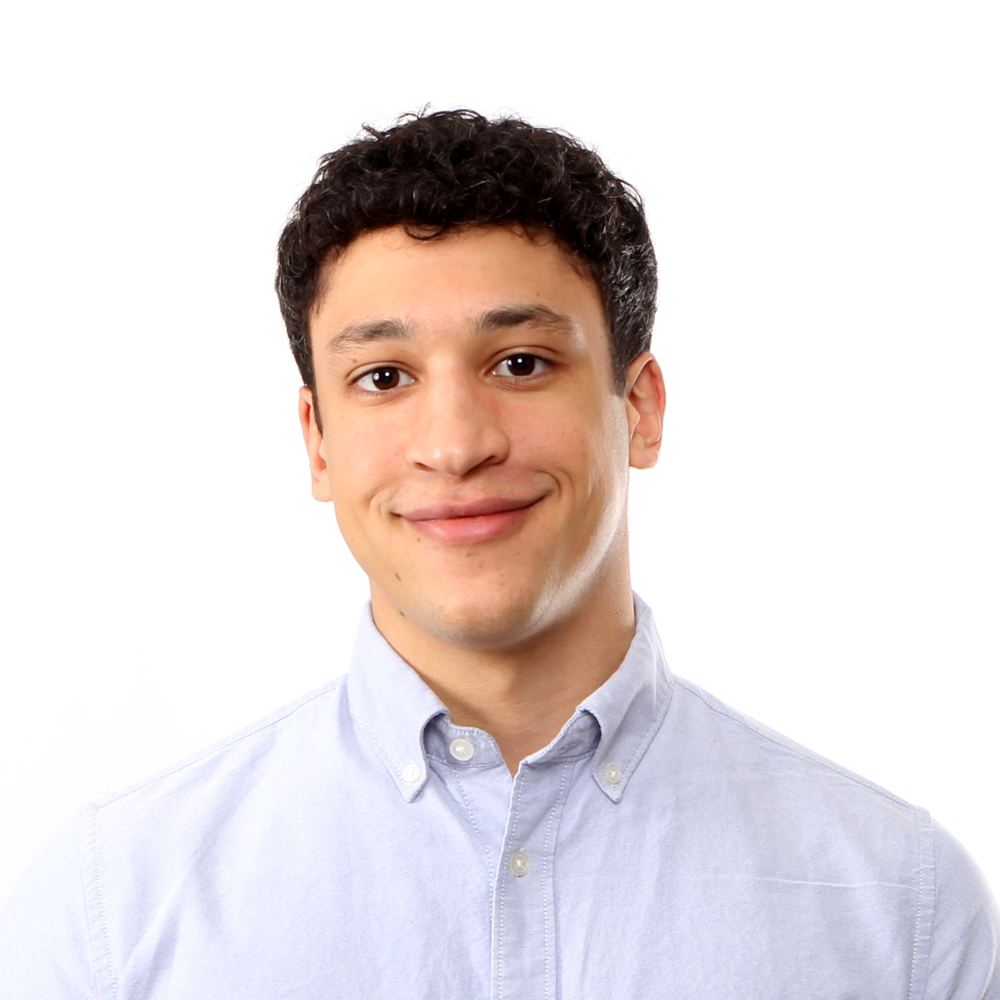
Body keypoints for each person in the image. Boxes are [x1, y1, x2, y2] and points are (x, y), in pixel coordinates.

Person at [1, 110, 996, 999]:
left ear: (638, 409)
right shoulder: (111, 912)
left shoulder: (898, 907)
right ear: (316, 441)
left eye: (519, 363)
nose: (456, 440)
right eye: (383, 376)